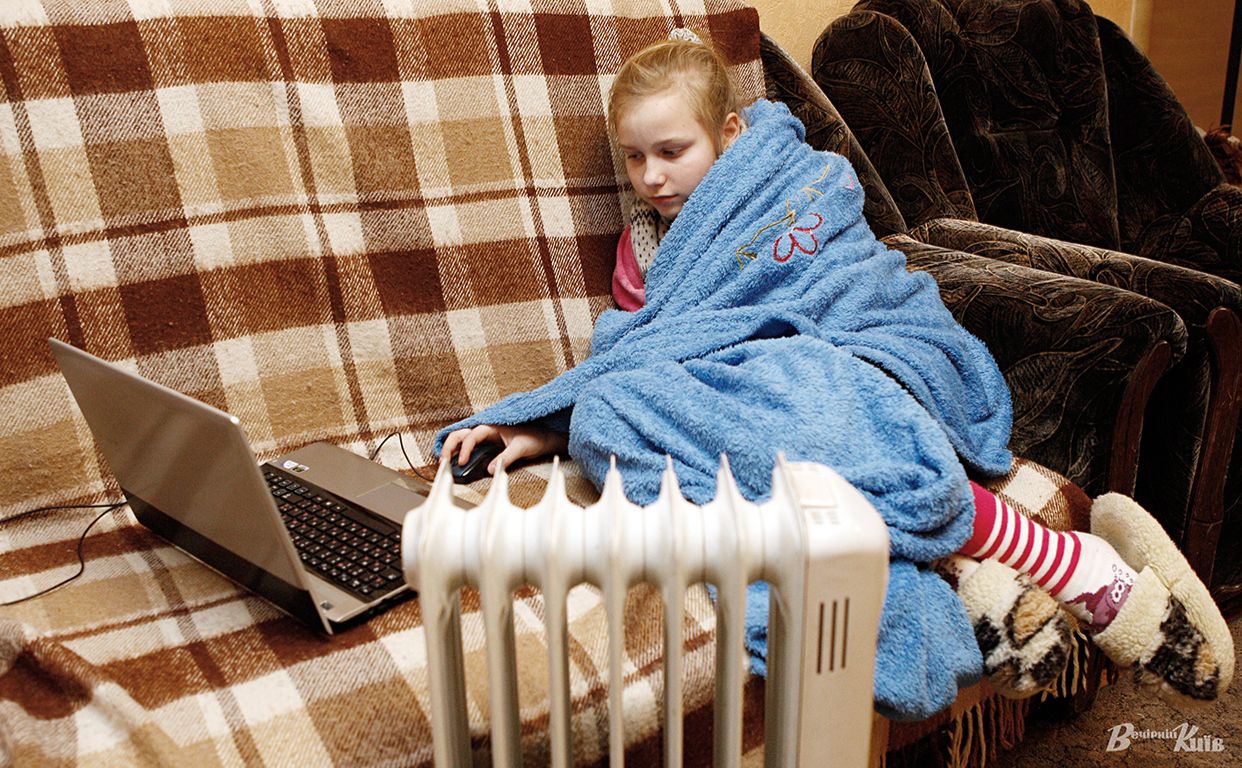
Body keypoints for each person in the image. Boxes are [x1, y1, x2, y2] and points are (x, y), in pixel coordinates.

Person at [438, 33, 1231, 710]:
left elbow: (845, 283)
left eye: (673, 151)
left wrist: (781, 353)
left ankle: (1060, 559)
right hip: (748, 394)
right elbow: (646, 357)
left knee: (815, 396)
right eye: (635, 157)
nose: (651, 177)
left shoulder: (793, 187)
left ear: (729, 133)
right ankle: (962, 581)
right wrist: (543, 426)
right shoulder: (645, 251)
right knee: (612, 411)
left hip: (857, 354)